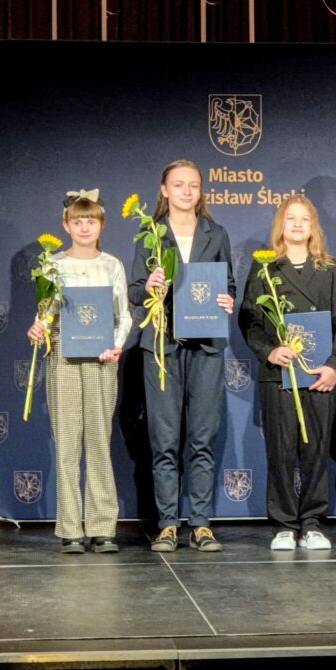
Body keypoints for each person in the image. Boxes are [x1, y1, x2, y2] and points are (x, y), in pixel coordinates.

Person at [128, 160, 236, 552]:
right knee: (165, 440)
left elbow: (228, 284)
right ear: (165, 190)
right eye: (179, 185)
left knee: (203, 437)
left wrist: (227, 300)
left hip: (206, 345)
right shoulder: (150, 233)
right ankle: (168, 524)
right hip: (162, 346)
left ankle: (201, 524)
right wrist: (150, 285)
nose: (187, 191)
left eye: (193, 185)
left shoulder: (216, 233)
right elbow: (134, 290)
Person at [239, 195, 336, 550]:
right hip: (279, 376)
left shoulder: (328, 268)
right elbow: (249, 321)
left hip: (319, 375)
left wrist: (334, 366)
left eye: (305, 218)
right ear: (281, 225)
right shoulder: (265, 268)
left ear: (314, 226)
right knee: (281, 450)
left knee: (316, 449)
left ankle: (313, 522)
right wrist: (270, 352)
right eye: (291, 218)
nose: (298, 224)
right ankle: (284, 524)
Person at [27, 191, 132, 554]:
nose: (84, 227)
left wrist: (115, 344)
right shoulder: (52, 264)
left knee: (99, 442)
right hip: (64, 357)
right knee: (68, 444)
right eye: (77, 221)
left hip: (102, 360)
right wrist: (39, 327)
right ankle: (71, 529)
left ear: (102, 225)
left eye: (91, 221)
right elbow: (47, 311)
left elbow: (123, 315)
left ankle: (103, 527)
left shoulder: (112, 265)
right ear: (66, 226)